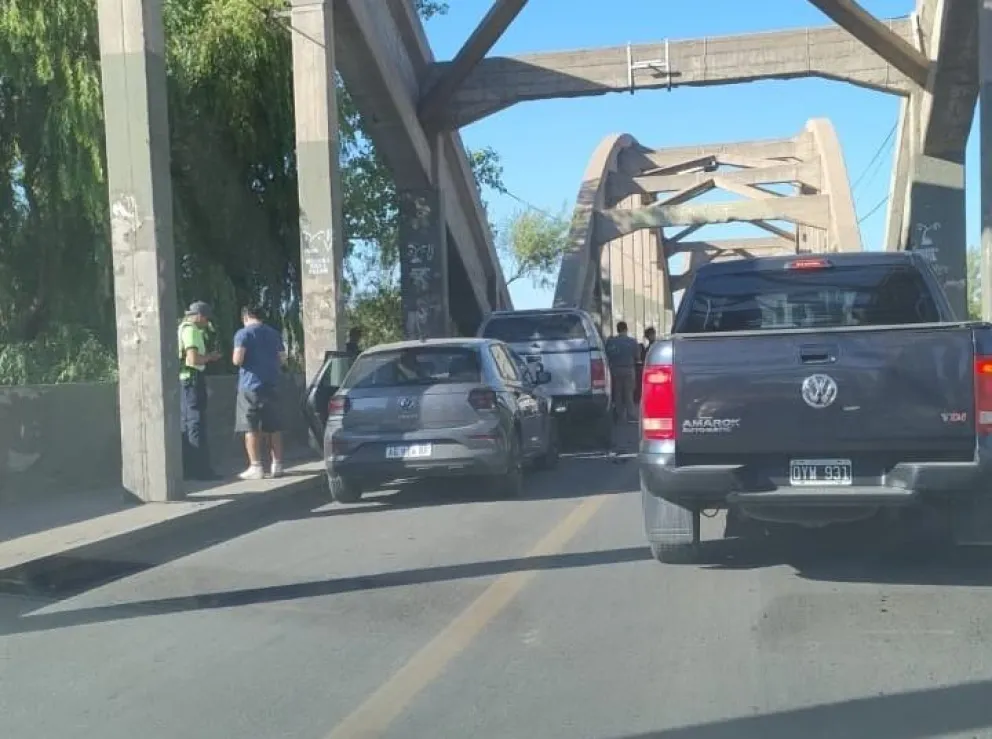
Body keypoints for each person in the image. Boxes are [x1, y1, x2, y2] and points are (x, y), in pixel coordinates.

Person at [232, 304, 287, 480]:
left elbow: (237, 360)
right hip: (271, 383)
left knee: (251, 426)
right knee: (274, 426)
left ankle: (256, 466)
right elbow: (283, 359)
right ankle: (277, 464)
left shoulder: (243, 334)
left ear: (246, 317)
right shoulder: (273, 333)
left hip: (250, 385)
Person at [178, 301, 222, 480]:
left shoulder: (181, 328)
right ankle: (201, 470)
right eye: (206, 318)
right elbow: (193, 359)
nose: (207, 322)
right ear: (199, 316)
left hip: (184, 381)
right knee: (196, 423)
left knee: (187, 424)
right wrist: (211, 357)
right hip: (193, 379)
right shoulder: (192, 331)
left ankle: (189, 469)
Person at [604, 320, 640, 424]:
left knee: (617, 393)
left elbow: (607, 355)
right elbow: (637, 357)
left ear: (617, 329)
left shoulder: (611, 342)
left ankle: (619, 415)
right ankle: (631, 415)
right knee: (629, 393)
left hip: (615, 370)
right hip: (629, 369)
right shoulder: (632, 341)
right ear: (626, 329)